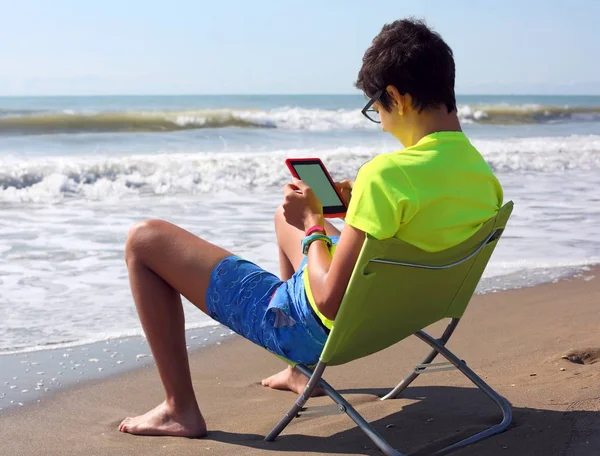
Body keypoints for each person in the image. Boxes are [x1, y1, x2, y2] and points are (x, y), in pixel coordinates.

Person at [118, 18, 503, 438]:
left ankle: (180, 409)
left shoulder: (387, 175)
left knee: (145, 239)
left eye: (375, 107)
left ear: (395, 97)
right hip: (399, 315)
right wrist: (353, 214)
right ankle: (299, 374)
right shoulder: (482, 177)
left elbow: (330, 302)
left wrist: (314, 222)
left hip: (319, 329)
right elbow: (419, 233)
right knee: (282, 218)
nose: (380, 118)